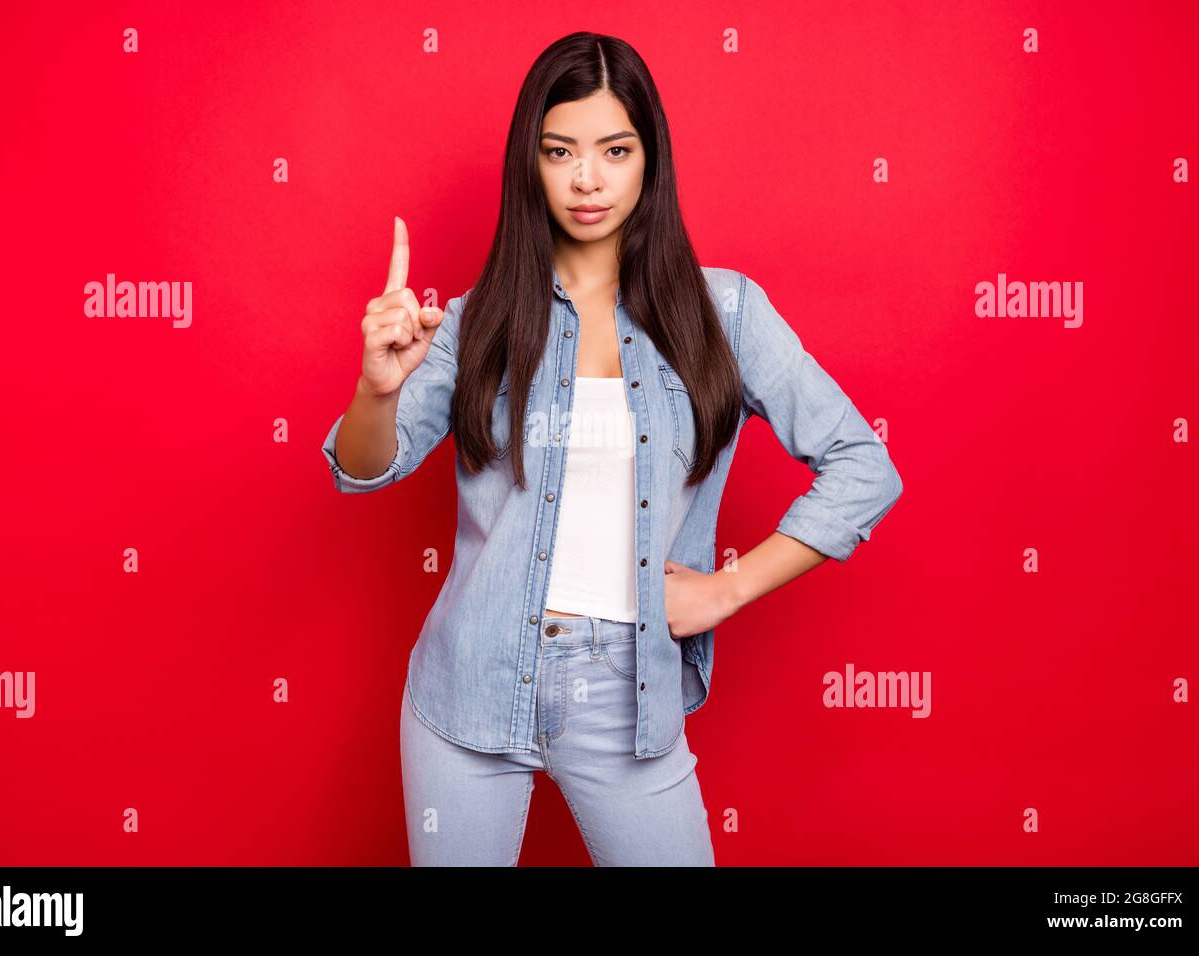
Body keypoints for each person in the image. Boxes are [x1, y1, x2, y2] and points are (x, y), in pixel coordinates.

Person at [322, 31, 904, 866]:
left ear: (648, 158)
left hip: (626, 692)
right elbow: (366, 468)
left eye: (614, 150)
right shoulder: (472, 318)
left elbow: (862, 463)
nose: (586, 179)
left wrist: (727, 590)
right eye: (560, 151)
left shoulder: (725, 313)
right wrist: (377, 389)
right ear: (532, 162)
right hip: (470, 686)